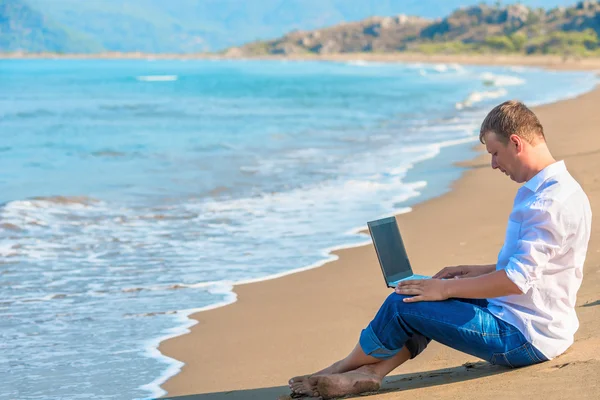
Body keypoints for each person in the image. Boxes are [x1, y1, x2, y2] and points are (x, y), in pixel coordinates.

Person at [288, 100, 592, 399]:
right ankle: (371, 373)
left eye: (495, 153)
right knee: (421, 288)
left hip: (522, 336)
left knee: (404, 302)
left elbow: (516, 280)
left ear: (516, 143)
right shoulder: (557, 190)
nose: (493, 164)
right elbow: (540, 268)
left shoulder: (546, 204)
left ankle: (340, 367)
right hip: (534, 320)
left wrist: (444, 291)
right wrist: (473, 273)